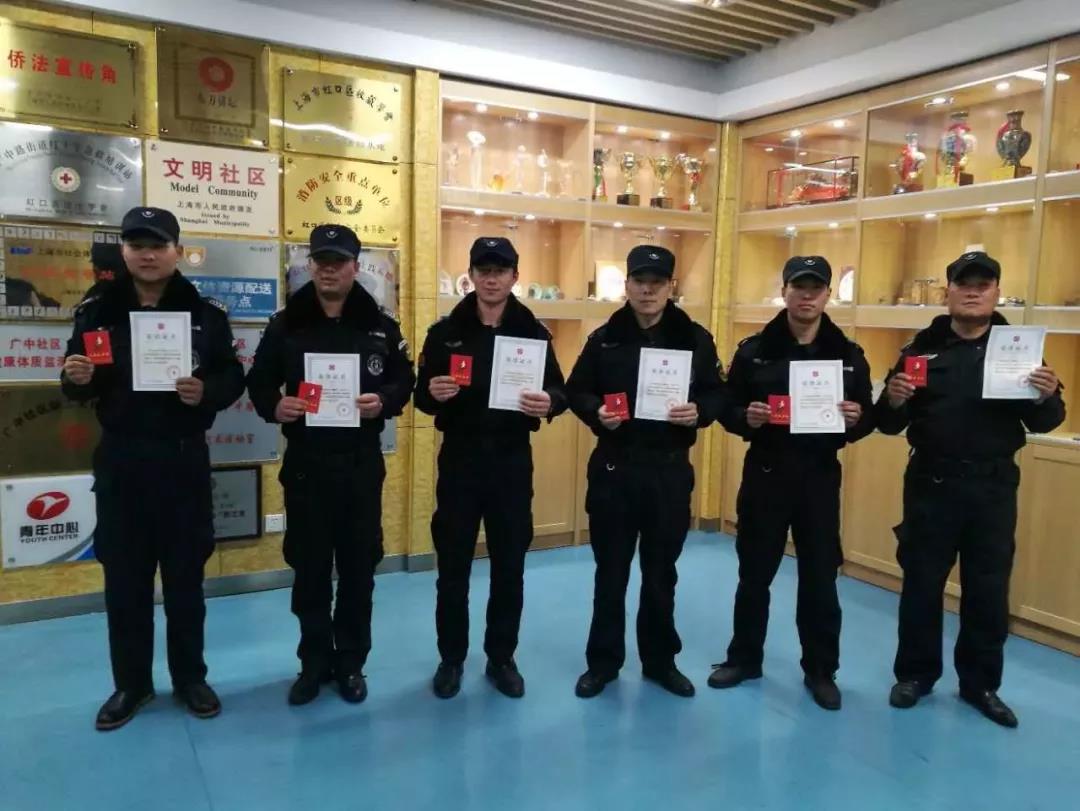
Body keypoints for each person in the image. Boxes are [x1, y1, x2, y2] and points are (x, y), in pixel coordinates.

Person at [61, 207, 244, 731]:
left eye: (158, 245)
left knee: (186, 580)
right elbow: (78, 379)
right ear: (123, 251)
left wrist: (206, 390)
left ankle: (190, 678)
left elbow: (231, 375)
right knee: (125, 582)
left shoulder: (206, 314)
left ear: (176, 252)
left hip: (182, 460)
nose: (147, 254)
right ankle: (131, 684)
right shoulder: (97, 310)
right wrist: (75, 376)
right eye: (136, 244)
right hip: (123, 461)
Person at [876, 250, 1064, 728]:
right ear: (949, 292)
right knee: (921, 584)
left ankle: (980, 685)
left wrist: (1046, 394)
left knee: (988, 589)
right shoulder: (920, 349)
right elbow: (889, 423)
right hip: (931, 484)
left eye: (984, 284)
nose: (974, 292)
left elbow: (1045, 421)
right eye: (965, 283)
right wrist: (893, 400)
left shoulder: (1020, 350)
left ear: (997, 292)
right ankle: (915, 675)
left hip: (991, 488)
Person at [247, 225, 414, 706]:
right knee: (310, 570)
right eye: (321, 260)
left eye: (339, 261)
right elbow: (259, 382)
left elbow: (404, 379)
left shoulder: (380, 325)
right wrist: (275, 406)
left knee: (359, 571)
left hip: (360, 465)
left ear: (355, 267)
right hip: (306, 465)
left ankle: (351, 663)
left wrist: (383, 401)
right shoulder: (286, 324)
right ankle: (314, 663)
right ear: (310, 265)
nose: (329, 269)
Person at [709, 256, 873, 711]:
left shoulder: (849, 355)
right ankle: (744, 659)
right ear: (784, 291)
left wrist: (857, 419)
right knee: (754, 573)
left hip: (819, 475)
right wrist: (746, 417)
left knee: (820, 577)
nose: (806, 296)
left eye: (815, 288)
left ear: (827, 295)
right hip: (767, 472)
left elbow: (866, 416)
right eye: (798, 287)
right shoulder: (754, 350)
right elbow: (727, 406)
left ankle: (820, 669)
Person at [567, 245, 724, 699]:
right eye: (640, 281)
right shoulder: (604, 339)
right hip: (615, 469)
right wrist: (597, 412)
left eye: (657, 282)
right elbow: (577, 390)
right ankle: (603, 663)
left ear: (671, 286)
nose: (648, 290)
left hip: (668, 472)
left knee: (660, 574)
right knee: (610, 573)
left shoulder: (695, 338)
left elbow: (718, 393)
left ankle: (659, 662)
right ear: (627, 285)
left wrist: (699, 412)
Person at [415, 236, 567, 699]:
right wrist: (432, 393)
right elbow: (420, 396)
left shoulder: (533, 333)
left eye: (500, 270)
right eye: (483, 269)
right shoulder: (445, 332)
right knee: (453, 566)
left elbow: (559, 391)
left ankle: (501, 658)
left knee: (509, 566)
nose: (492, 278)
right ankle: (451, 658)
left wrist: (548, 402)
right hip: (460, 461)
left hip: (510, 461)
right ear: (471, 275)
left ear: (514, 277)